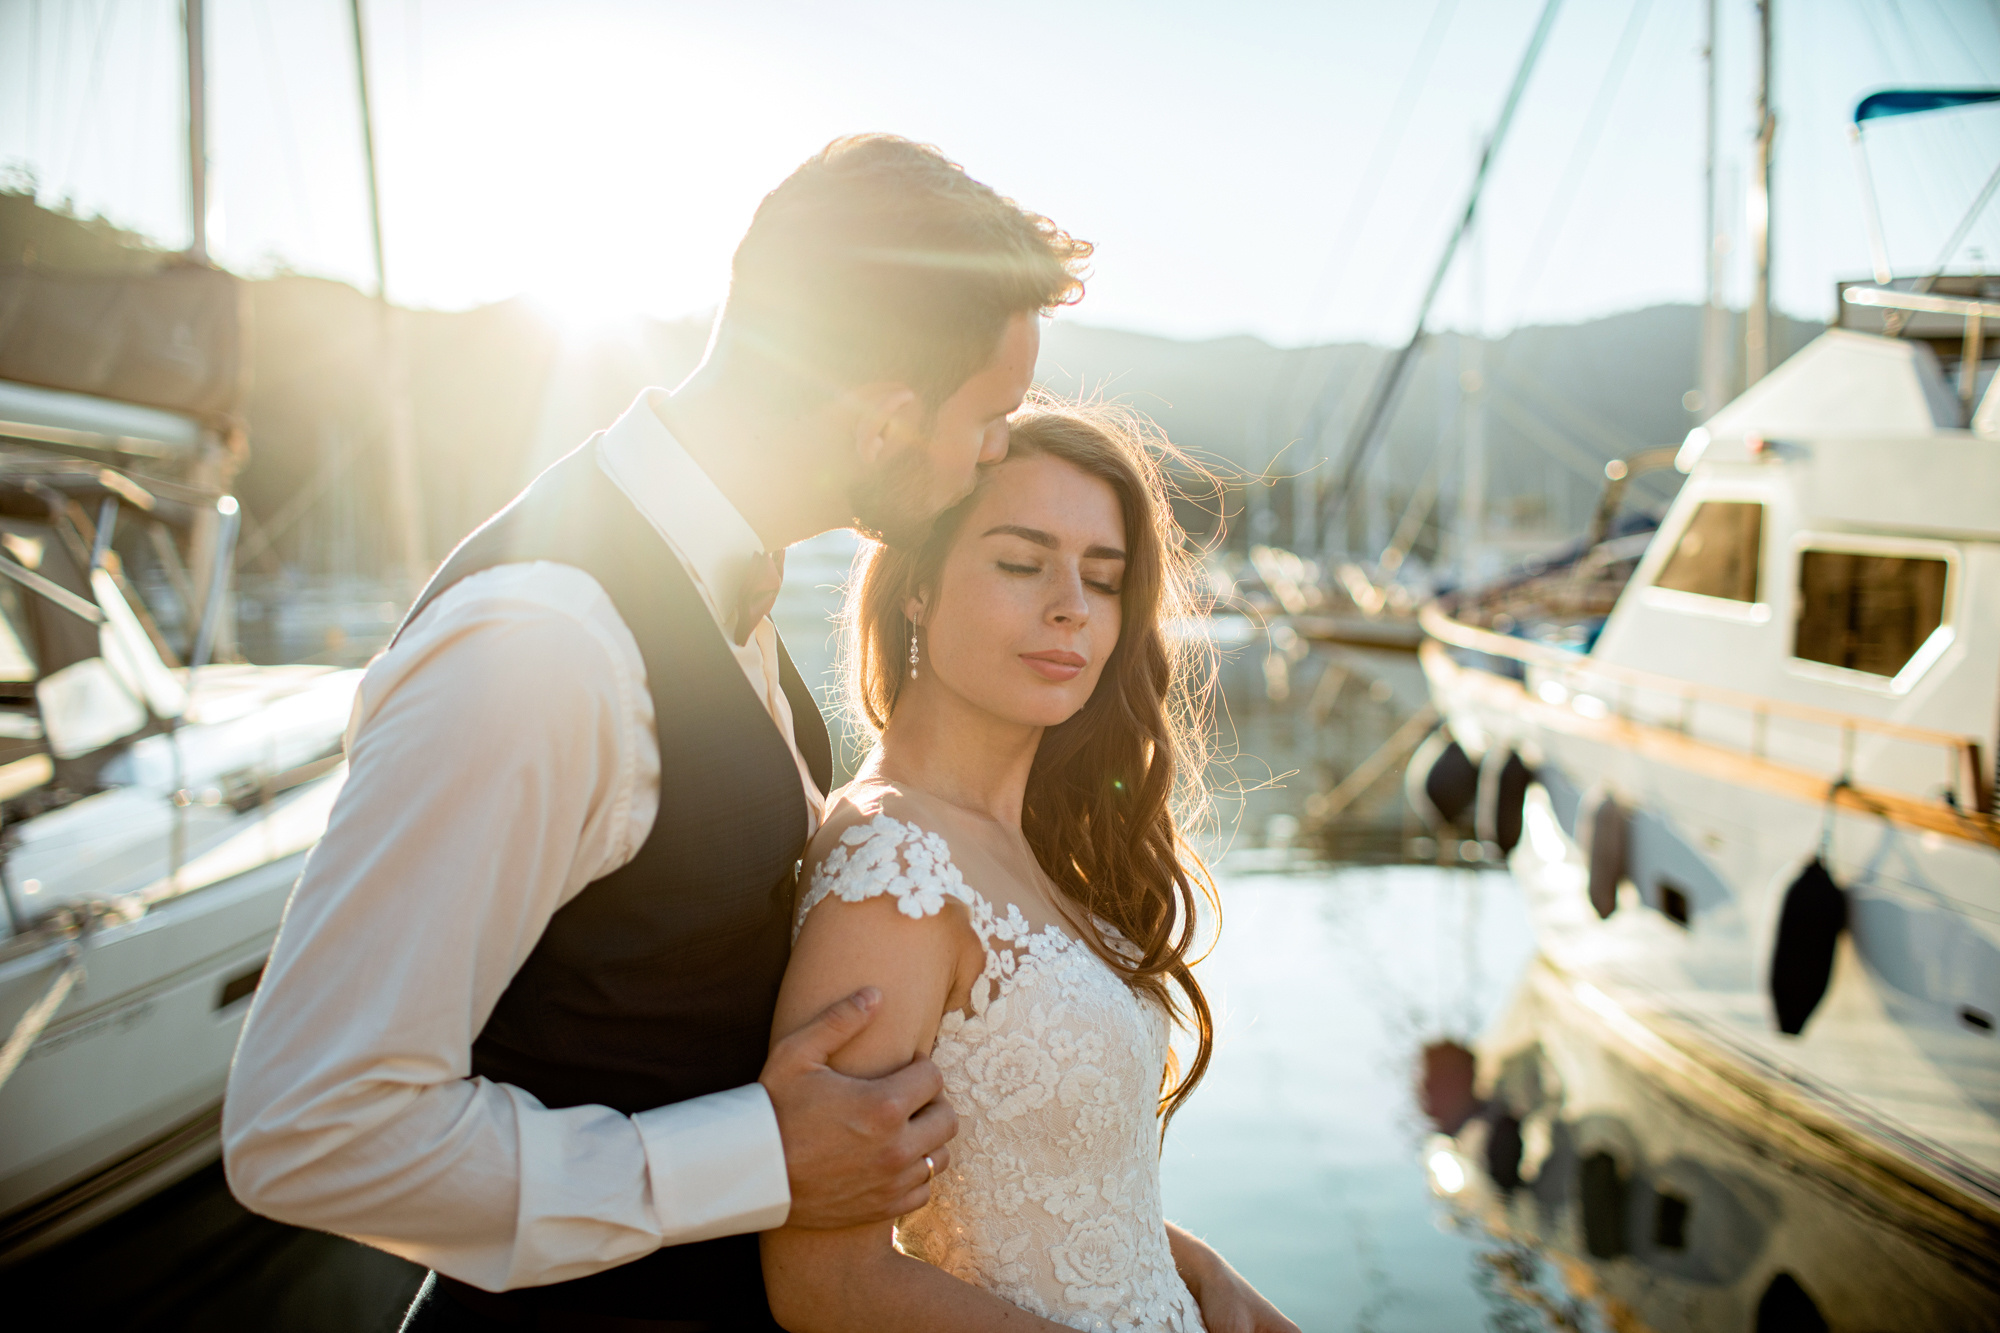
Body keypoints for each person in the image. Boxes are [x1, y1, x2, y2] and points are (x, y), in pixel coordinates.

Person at [222, 135, 1090, 1331]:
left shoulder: (716, 583)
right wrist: (750, 1159)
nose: (999, 449)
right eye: (990, 416)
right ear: (886, 422)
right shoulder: (541, 645)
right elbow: (310, 1128)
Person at [760, 404, 1300, 1333]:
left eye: (1104, 576)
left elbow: (1047, 1185)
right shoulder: (894, 869)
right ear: (916, 585)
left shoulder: (1037, 847)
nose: (1070, 605)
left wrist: (1197, 1268)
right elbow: (829, 1284)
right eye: (1021, 562)